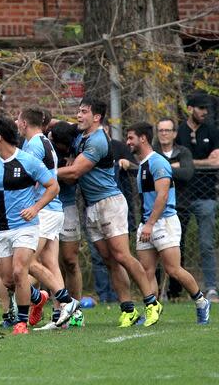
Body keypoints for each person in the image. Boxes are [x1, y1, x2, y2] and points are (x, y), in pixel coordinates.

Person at [58, 97, 161, 327]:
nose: (78, 115)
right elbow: (56, 123)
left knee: (122, 255)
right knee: (109, 260)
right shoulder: (81, 133)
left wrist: (44, 173)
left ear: (96, 117)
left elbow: (75, 172)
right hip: (92, 205)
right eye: (78, 111)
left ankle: (152, 302)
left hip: (109, 203)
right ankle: (128, 309)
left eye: (84, 112)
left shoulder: (97, 141)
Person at [0, 117, 77, 335]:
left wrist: (36, 207)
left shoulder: (28, 161)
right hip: (2, 228)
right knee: (8, 280)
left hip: (26, 226)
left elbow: (53, 186)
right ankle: (38, 298)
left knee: (21, 269)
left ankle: (21, 322)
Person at [126, 122, 210, 325]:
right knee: (147, 271)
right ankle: (152, 309)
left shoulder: (158, 162)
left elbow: (163, 196)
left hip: (164, 222)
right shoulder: (143, 164)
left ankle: (201, 301)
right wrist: (145, 223)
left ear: (143, 138)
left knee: (173, 269)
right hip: (147, 223)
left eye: (131, 138)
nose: (128, 142)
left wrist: (150, 224)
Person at [17, 107, 77, 329]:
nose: (16, 122)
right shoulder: (44, 141)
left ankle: (67, 302)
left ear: (24, 124)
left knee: (27, 262)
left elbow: (28, 178)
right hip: (54, 208)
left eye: (18, 119)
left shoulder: (33, 145)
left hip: (44, 209)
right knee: (51, 263)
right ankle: (63, 316)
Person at [175, 93, 219, 302]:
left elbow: (216, 162)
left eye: (207, 108)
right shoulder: (179, 132)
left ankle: (211, 287)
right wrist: (202, 162)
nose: (205, 112)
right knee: (176, 244)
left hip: (206, 195)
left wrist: (188, 164)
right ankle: (176, 291)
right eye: (201, 108)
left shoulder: (212, 130)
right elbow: (173, 163)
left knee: (206, 244)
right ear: (190, 108)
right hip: (181, 195)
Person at [153, 117, 196, 300]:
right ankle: (154, 294)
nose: (164, 134)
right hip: (157, 208)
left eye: (167, 130)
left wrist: (163, 170)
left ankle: (175, 292)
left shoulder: (183, 151)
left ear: (174, 133)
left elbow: (187, 174)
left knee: (177, 249)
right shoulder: (153, 153)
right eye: (161, 130)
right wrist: (172, 168)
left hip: (180, 207)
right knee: (154, 252)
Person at [48, 121, 84, 316]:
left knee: (70, 260)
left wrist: (72, 160)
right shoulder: (43, 144)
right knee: (50, 261)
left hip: (67, 206)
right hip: (46, 208)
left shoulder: (76, 140)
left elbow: (72, 178)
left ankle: (76, 311)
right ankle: (57, 308)